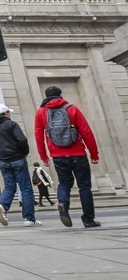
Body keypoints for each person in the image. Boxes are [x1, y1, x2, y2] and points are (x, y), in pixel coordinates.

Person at [35, 86, 101, 228]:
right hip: (78, 154)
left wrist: (43, 156)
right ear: (61, 95)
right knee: (84, 187)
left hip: (58, 156)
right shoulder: (72, 109)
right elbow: (86, 132)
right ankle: (88, 220)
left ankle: (63, 203)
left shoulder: (41, 112)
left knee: (64, 183)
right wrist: (94, 154)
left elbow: (38, 136)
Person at [0, 104, 40, 227]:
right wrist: (24, 152)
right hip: (17, 159)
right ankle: (29, 218)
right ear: (6, 113)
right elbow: (22, 140)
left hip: (3, 161)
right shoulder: (11, 124)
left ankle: (2, 205)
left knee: (9, 187)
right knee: (25, 188)